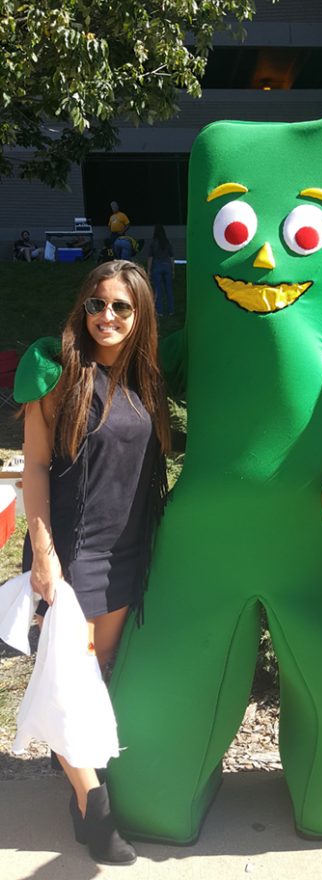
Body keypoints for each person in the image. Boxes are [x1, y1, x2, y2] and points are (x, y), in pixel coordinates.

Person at [19, 260, 171, 866]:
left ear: (140, 317)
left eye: (121, 307)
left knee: (99, 676)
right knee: (68, 682)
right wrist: (44, 554)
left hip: (127, 554)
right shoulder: (57, 374)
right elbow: (33, 467)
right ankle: (99, 807)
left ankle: (79, 799)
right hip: (74, 555)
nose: (106, 317)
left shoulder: (145, 383)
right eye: (96, 304)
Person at [147, 224, 175, 316]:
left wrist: (149, 270)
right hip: (167, 265)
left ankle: (160, 311)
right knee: (169, 289)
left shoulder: (153, 243)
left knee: (158, 289)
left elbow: (150, 257)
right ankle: (171, 310)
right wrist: (173, 269)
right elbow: (171, 257)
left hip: (157, 266)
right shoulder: (167, 242)